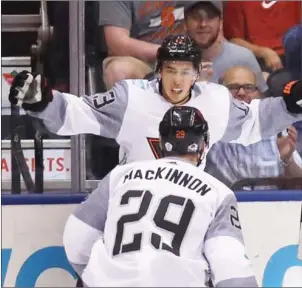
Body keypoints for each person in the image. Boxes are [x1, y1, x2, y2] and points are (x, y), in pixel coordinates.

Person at [8, 34, 302, 168]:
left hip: (190, 204)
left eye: (185, 72)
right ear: (158, 71)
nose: (177, 80)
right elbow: (78, 112)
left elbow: (255, 121)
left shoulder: (215, 101)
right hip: (132, 198)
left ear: (198, 73)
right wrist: (44, 101)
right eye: (170, 71)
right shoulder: (130, 97)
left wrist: (290, 105)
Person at [63, 106, 258, 287]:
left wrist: (99, 274)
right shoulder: (218, 192)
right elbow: (229, 265)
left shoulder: (121, 175)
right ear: (203, 145)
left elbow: (77, 238)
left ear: (160, 143)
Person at [205, 66, 302, 189]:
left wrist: (287, 160)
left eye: (249, 88)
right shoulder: (210, 129)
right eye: (233, 87)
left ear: (259, 93)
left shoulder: (280, 131)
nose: (241, 93)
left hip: (271, 206)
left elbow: (298, 186)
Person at [99, 1, 196, 89]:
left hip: (189, 57)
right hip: (141, 61)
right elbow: (117, 43)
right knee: (118, 70)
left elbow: (209, 23)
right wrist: (170, 52)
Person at [184, 1, 268, 93]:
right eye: (196, 17)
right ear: (185, 23)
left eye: (210, 17)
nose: (203, 24)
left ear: (220, 23)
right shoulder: (174, 63)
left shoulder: (243, 57)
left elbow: (260, 103)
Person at [223, 1, 301, 73]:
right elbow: (233, 40)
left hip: (294, 55)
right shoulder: (236, 3)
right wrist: (263, 52)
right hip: (258, 60)